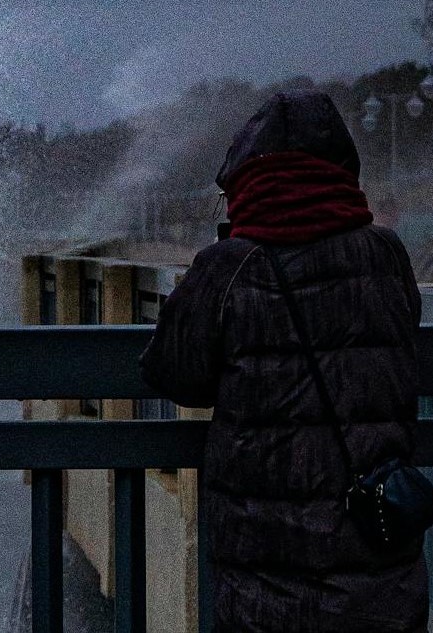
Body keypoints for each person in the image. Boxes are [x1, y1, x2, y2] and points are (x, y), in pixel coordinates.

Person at [139, 90, 427, 632]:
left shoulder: (229, 267)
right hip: (377, 553)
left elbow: (173, 374)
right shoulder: (387, 254)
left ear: (245, 185)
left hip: (266, 572)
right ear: (341, 174)